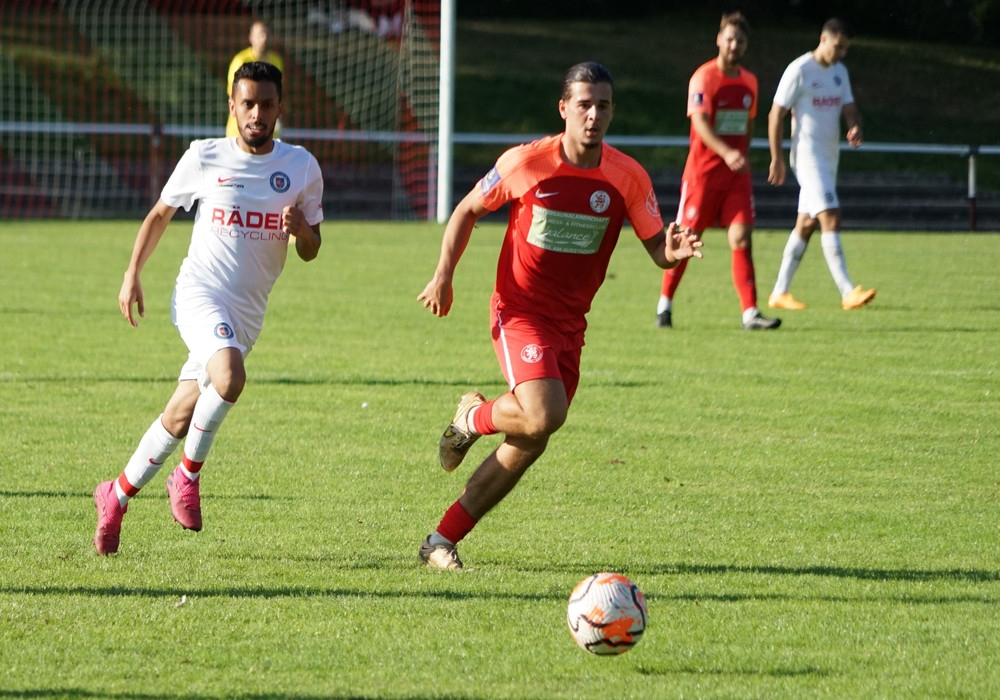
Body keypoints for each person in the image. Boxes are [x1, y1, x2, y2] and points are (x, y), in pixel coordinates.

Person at [415, 62, 703, 570]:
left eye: (603, 105)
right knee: (544, 414)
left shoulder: (627, 176)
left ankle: (440, 539)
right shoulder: (527, 162)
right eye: (584, 104)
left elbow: (657, 247)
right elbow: (466, 210)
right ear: (564, 108)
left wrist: (672, 253)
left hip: (571, 324)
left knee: (531, 439)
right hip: (519, 311)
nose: (594, 115)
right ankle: (471, 418)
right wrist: (444, 275)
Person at [93, 62, 324, 555]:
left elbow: (311, 249)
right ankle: (187, 476)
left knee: (181, 415)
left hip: (247, 315)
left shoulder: (302, 167)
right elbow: (160, 214)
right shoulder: (205, 155)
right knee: (230, 377)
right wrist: (132, 273)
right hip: (199, 294)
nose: (257, 113)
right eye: (248, 103)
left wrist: (303, 231)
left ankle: (115, 495)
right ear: (232, 107)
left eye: (266, 104)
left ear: (280, 108)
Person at [655, 12, 780, 331]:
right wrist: (727, 153)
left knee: (741, 236)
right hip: (703, 174)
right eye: (729, 39)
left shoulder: (749, 81)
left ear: (746, 45)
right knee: (688, 239)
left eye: (740, 41)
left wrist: (740, 156)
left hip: (735, 175)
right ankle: (664, 306)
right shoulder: (703, 78)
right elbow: (699, 123)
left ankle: (750, 313)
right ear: (719, 40)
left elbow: (748, 123)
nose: (734, 45)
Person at [766, 18, 876, 311]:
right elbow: (775, 114)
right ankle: (847, 291)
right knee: (831, 216)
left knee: (806, 224)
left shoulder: (840, 72)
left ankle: (779, 293)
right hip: (807, 158)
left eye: (845, 48)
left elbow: (850, 108)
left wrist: (854, 126)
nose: (841, 53)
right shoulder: (800, 70)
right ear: (823, 39)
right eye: (838, 46)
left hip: (829, 159)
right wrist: (776, 157)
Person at [226, 20, 284, 139]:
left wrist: (276, 115)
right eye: (260, 35)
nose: (264, 38)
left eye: (267, 34)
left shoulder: (277, 61)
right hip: (240, 132)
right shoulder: (241, 61)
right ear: (251, 38)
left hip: (267, 130)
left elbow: (279, 93)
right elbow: (234, 94)